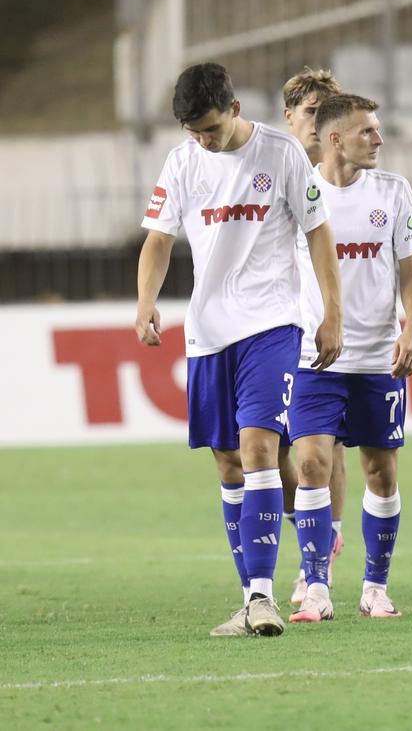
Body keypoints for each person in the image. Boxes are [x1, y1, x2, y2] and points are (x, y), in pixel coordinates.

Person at [134, 62, 343, 636]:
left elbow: (318, 233)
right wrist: (146, 301)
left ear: (233, 108)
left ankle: (262, 595)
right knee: (227, 462)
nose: (202, 139)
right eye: (192, 130)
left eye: (208, 127)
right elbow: (158, 239)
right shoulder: (182, 162)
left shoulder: (279, 154)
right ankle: (249, 596)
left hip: (272, 325)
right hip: (207, 332)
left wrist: (331, 314)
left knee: (257, 449)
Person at [283, 94, 412, 622]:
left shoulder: (393, 191)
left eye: (378, 129)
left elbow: (411, 274)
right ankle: (317, 587)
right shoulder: (299, 192)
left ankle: (375, 587)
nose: (379, 139)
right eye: (367, 131)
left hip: (376, 360)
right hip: (313, 356)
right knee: (313, 463)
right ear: (334, 138)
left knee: (380, 473)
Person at [280, 67, 352, 606]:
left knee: (324, 450)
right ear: (289, 118)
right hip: (266, 330)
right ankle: (312, 531)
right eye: (311, 112)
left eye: (328, 113)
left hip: (321, 338)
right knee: (261, 452)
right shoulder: (268, 172)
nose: (320, 123)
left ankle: (319, 551)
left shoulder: (350, 180)